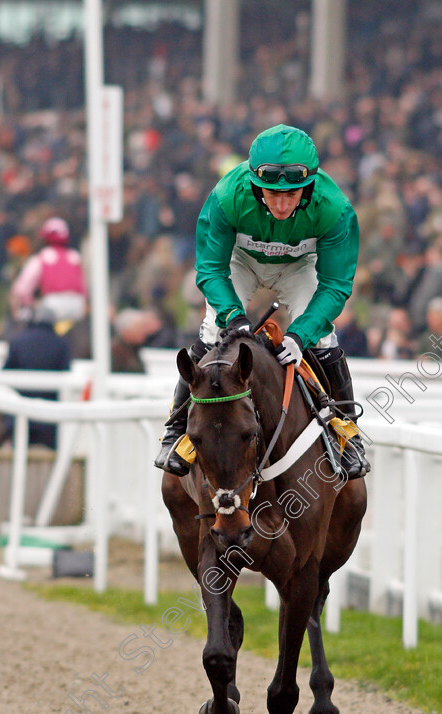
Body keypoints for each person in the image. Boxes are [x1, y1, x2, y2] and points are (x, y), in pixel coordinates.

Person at [155, 124, 370, 480]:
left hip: (300, 266)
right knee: (213, 330)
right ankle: (176, 432)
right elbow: (210, 270)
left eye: (292, 194)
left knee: (322, 337)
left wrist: (299, 335)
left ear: (310, 185)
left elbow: (335, 284)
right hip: (241, 262)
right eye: (272, 194)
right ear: (256, 184)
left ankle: (348, 435)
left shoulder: (336, 209)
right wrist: (234, 317)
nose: (283, 204)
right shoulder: (226, 196)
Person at [0, 302, 71, 449]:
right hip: (50, 418)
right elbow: (66, 374)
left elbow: (7, 372)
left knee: (18, 452)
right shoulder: (61, 344)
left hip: (18, 414)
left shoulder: (18, 341)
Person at [9, 217, 87, 325]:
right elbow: (85, 288)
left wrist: (29, 305)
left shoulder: (41, 258)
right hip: (78, 309)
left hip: (51, 309)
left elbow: (22, 290)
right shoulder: (76, 257)